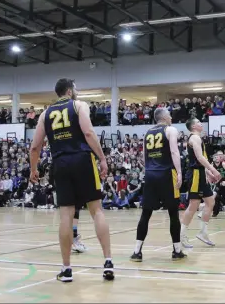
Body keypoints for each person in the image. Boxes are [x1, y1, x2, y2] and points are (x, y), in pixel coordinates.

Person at [30, 78, 114, 282]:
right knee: (96, 210)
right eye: (75, 88)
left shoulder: (45, 114)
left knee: (66, 216)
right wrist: (102, 158)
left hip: (60, 163)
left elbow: (35, 147)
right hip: (83, 159)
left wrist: (33, 169)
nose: (77, 91)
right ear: (69, 91)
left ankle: (66, 269)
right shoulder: (79, 105)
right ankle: (108, 262)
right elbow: (88, 132)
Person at [130, 108, 187, 262]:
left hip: (150, 174)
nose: (171, 117)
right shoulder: (170, 130)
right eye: (169, 114)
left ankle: (137, 252)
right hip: (167, 173)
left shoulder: (147, 132)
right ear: (164, 117)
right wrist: (180, 172)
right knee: (173, 213)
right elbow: (175, 152)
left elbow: (143, 156)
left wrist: (148, 170)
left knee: (146, 213)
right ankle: (177, 251)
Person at [180, 118, 221, 248]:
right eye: (198, 122)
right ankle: (181, 235)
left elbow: (199, 161)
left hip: (200, 173)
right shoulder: (194, 138)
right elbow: (199, 158)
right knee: (194, 205)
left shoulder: (197, 138)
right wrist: (213, 170)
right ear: (193, 126)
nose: (201, 123)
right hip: (195, 175)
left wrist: (208, 173)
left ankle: (203, 232)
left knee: (210, 202)